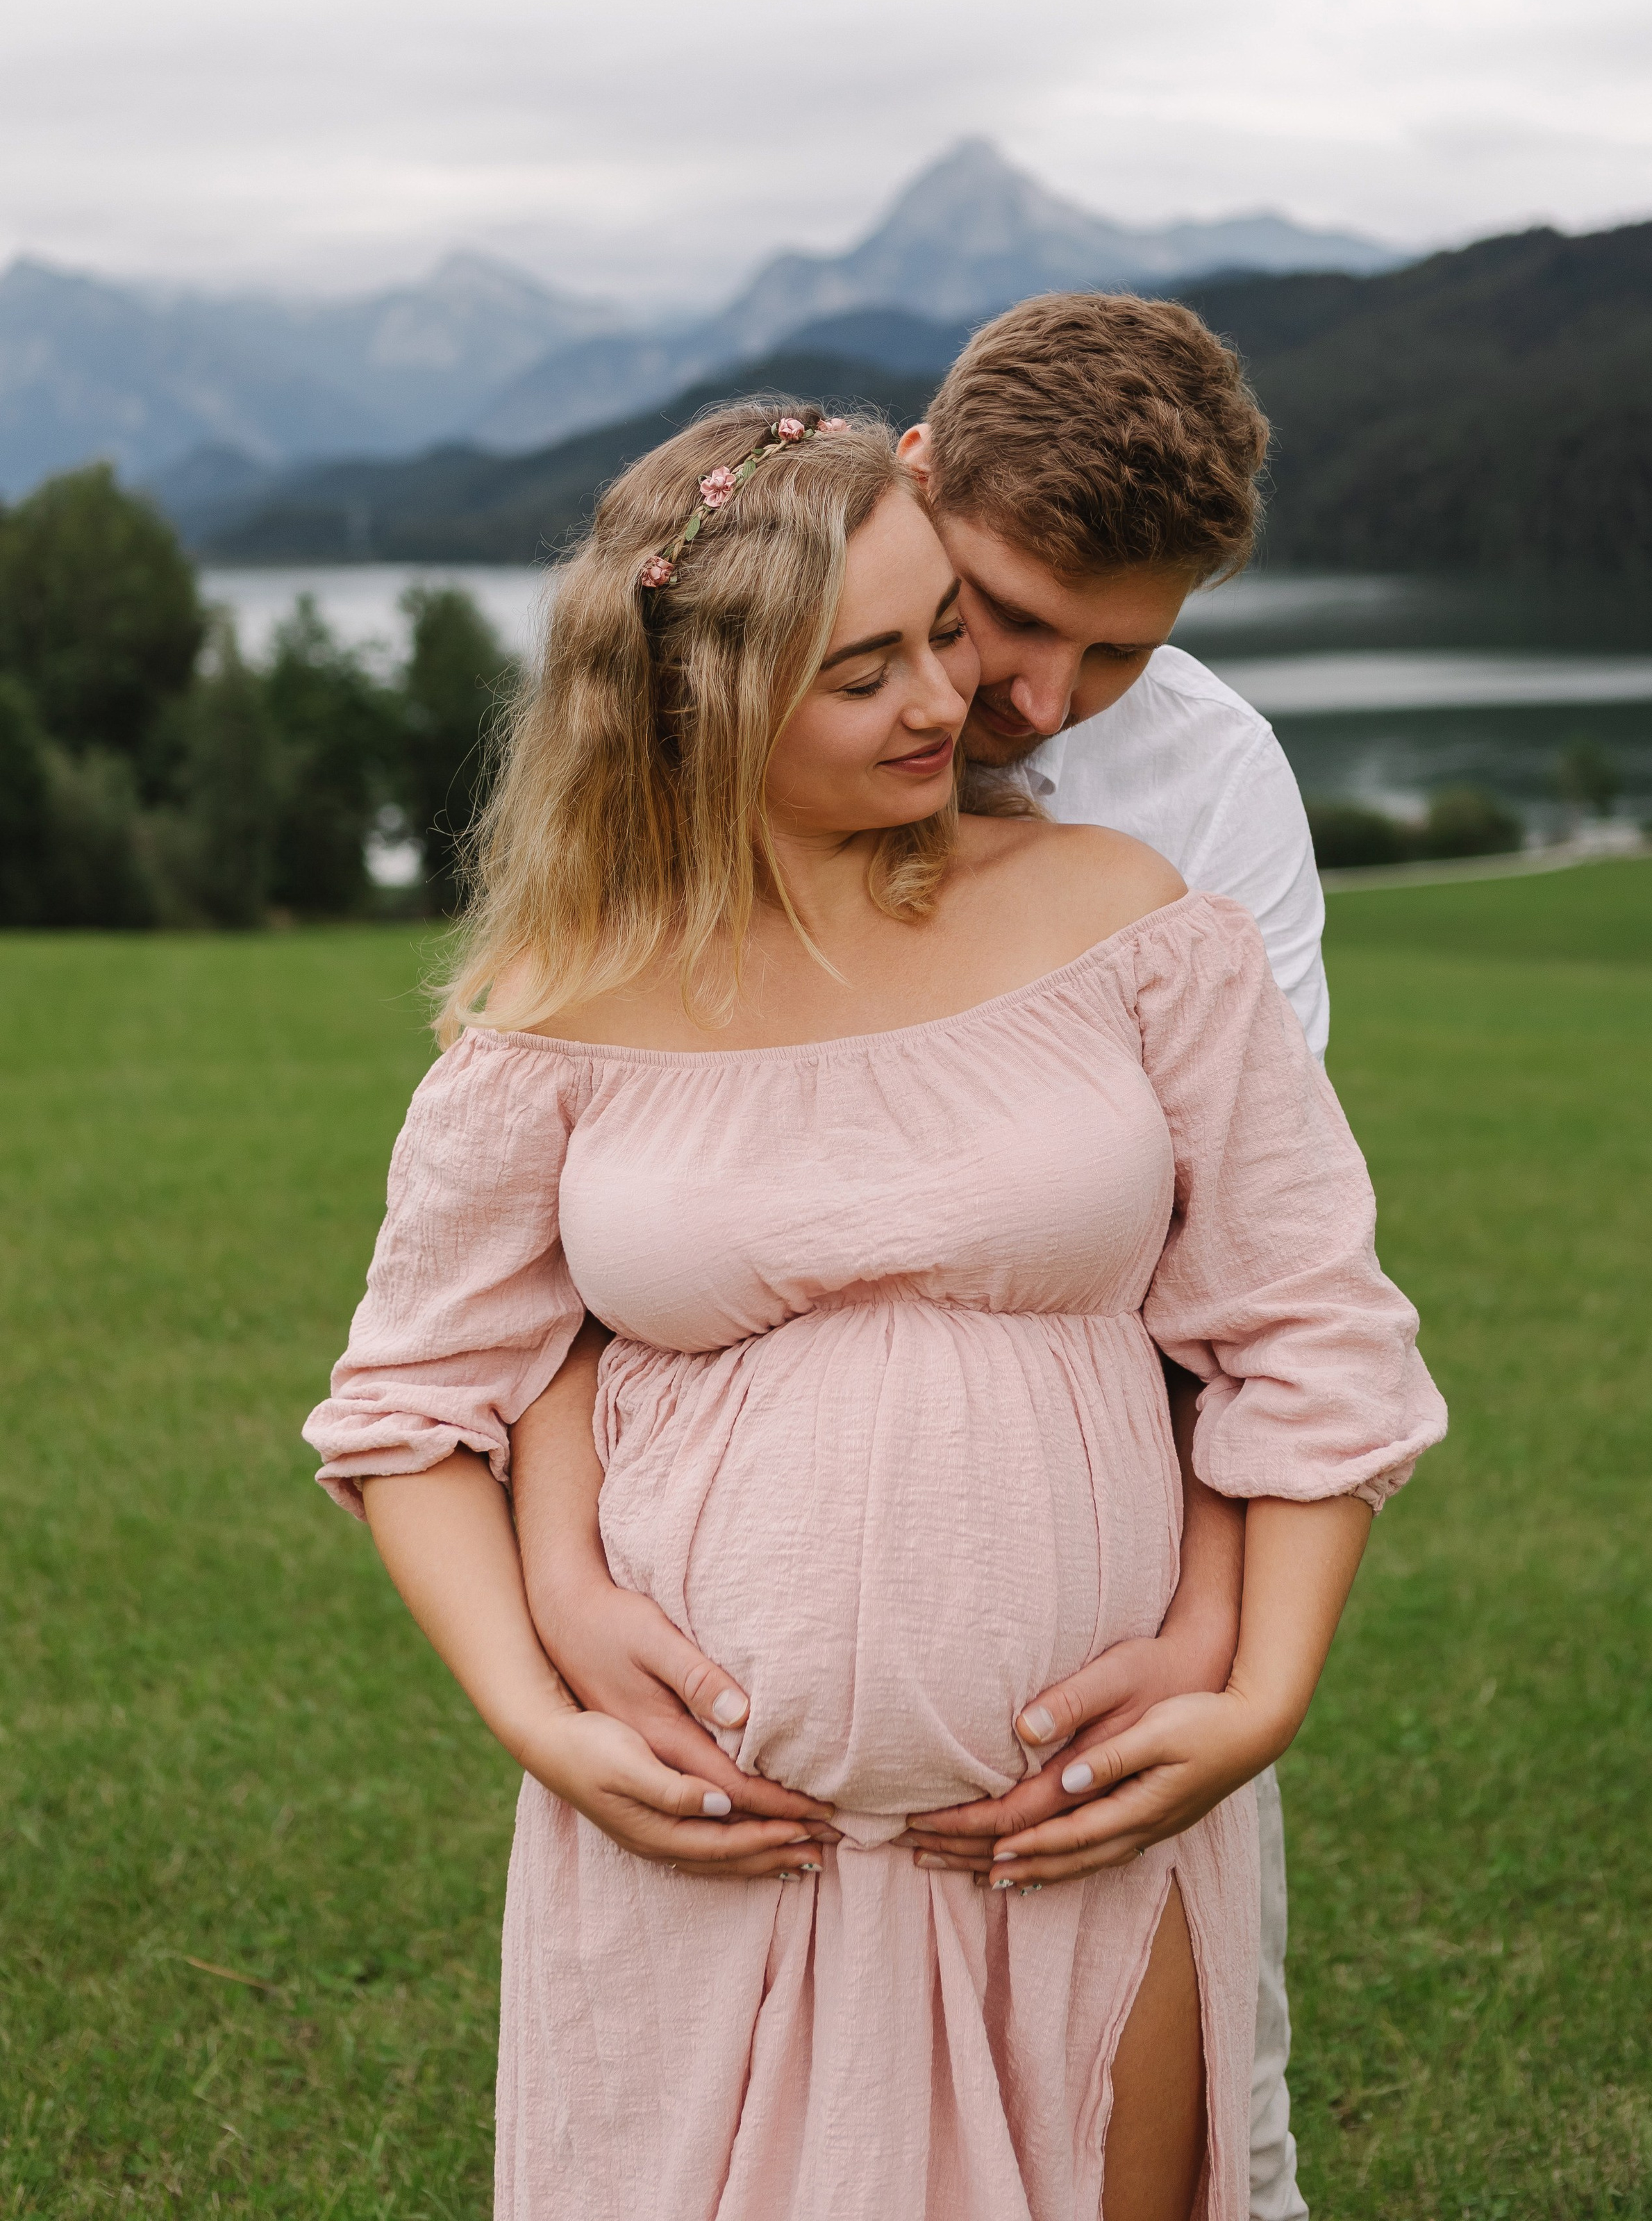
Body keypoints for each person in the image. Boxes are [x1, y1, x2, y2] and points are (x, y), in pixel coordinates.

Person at [305, 397, 1445, 2221]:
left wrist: (1258, 1693)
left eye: (940, 634)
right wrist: (540, 1713)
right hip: (702, 1865)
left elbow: (1308, 1330)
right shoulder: (562, 1009)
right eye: (866, 672)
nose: (950, 702)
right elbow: (412, 1406)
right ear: (705, 705)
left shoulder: (1125, 921)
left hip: (1079, 1839)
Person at [512, 294, 1330, 2217]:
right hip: (729, 1735)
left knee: (1209, 2128)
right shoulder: (686, 807)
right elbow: (542, 1283)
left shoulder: (1204, 801)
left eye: (1120, 650)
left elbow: (1250, 1283)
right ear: (910, 485)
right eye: (1001, 615)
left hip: (1111, 1645)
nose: (1028, 700)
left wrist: (1225, 1648)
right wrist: (559, 1587)